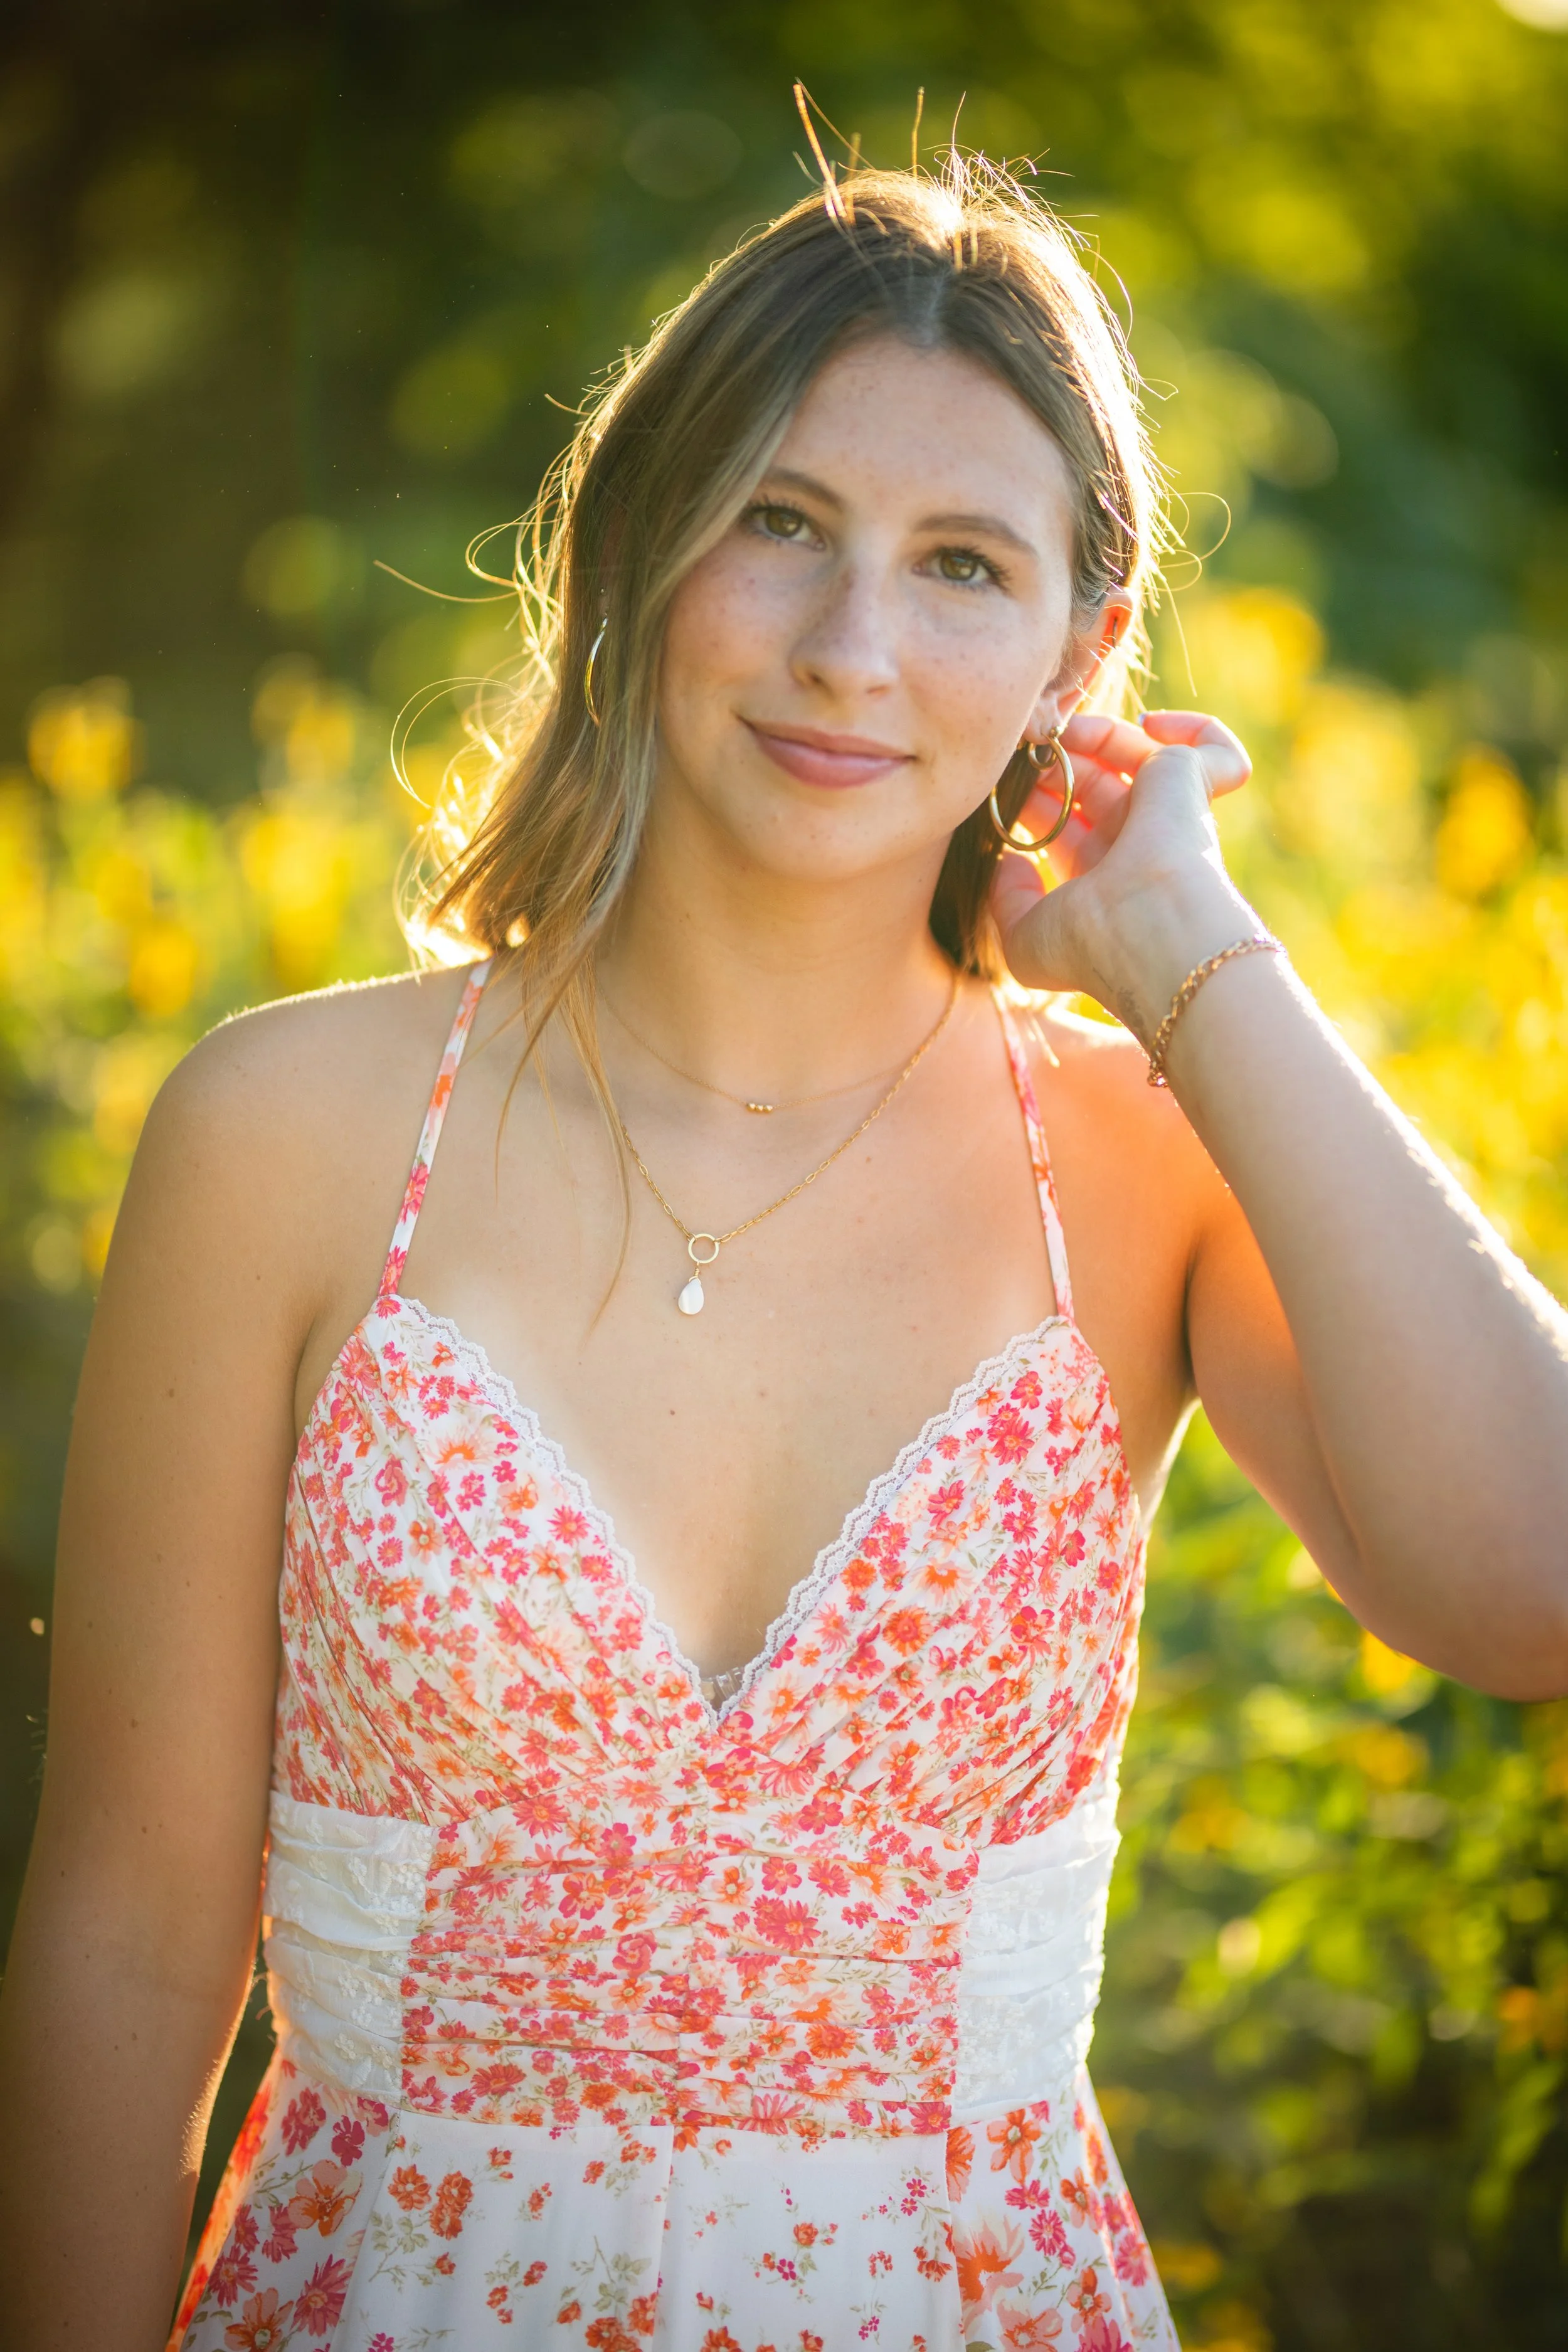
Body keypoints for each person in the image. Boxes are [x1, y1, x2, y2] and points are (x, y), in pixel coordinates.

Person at [3, 156, 1567, 2352]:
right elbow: (129, 1932)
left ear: (1078, 654)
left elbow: (1531, 1581)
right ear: (635, 541)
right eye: (778, 521)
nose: (851, 648)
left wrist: (1191, 949)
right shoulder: (284, 1136)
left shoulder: (1133, 1165)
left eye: (959, 568)